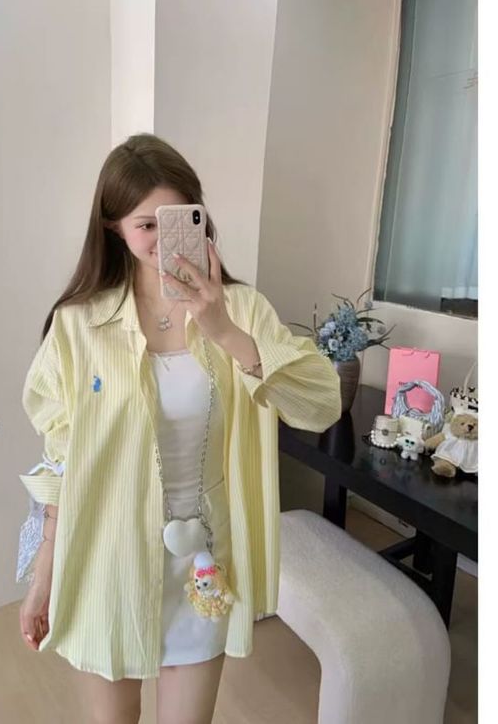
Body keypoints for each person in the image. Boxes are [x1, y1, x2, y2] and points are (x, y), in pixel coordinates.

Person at [17, 132, 341, 724]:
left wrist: (223, 331)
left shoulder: (243, 309)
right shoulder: (78, 325)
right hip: (108, 560)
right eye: (146, 225)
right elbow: (62, 461)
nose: (164, 240)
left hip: (202, 563)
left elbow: (320, 405)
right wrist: (44, 576)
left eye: (178, 219)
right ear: (113, 226)